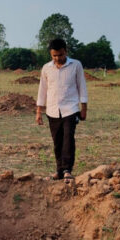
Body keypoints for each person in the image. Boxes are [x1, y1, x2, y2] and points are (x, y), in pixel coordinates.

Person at [36, 38, 88, 183]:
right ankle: (59, 171)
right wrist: (39, 111)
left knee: (68, 139)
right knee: (57, 142)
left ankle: (67, 170)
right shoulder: (46, 68)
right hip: (52, 110)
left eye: (60, 55)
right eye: (54, 55)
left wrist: (84, 108)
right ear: (50, 54)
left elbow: (82, 86)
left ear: (65, 51)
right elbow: (42, 90)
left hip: (70, 109)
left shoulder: (76, 65)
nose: (58, 58)